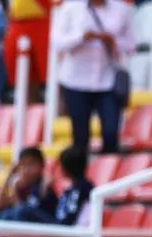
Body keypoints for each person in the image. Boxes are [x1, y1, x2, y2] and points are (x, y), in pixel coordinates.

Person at [51, 0, 134, 154]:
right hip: (76, 80)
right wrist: (81, 37)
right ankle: (83, 173)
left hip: (108, 79)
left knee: (110, 133)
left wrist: (112, 42)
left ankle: (109, 170)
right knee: (80, 136)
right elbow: (57, 42)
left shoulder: (122, 9)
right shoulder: (70, 8)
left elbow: (131, 45)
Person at [0, 146, 46, 221]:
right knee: (4, 214)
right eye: (23, 165)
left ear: (42, 166)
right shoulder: (21, 186)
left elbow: (25, 212)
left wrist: (15, 195)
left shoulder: (44, 185)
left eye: (31, 164)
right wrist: (9, 177)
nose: (26, 170)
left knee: (19, 211)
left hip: (48, 226)